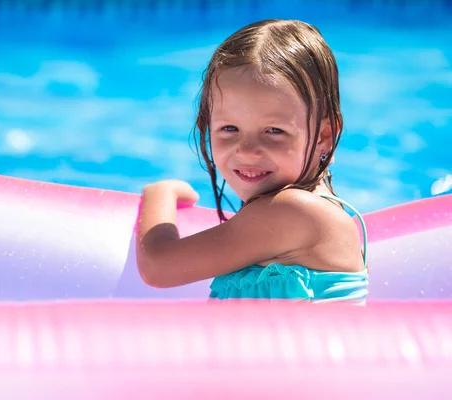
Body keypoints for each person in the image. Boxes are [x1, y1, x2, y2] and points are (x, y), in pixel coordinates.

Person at [135, 19, 369, 303]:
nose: (247, 151)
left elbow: (158, 266)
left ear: (324, 135)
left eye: (274, 131)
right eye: (229, 129)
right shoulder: (315, 207)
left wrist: (160, 193)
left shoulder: (291, 211)